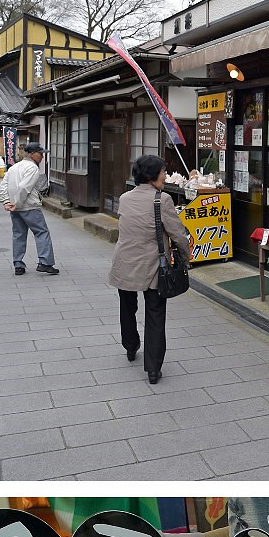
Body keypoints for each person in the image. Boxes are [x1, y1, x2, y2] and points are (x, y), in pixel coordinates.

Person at [109, 154, 183, 384]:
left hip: (124, 263)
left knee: (127, 307)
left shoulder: (125, 197)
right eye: (163, 171)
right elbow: (178, 234)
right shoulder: (163, 200)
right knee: (155, 314)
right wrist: (186, 259)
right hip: (153, 266)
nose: (165, 175)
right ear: (152, 175)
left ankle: (131, 347)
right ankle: (152, 369)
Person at [0, 142, 58, 277]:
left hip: (15, 207)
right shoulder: (32, 168)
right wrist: (17, 203)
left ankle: (18, 264)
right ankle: (45, 263)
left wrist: (7, 202)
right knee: (41, 232)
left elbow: (4, 186)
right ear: (32, 154)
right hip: (29, 207)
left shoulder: (14, 167)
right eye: (40, 153)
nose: (42, 157)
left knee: (18, 234)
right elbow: (24, 188)